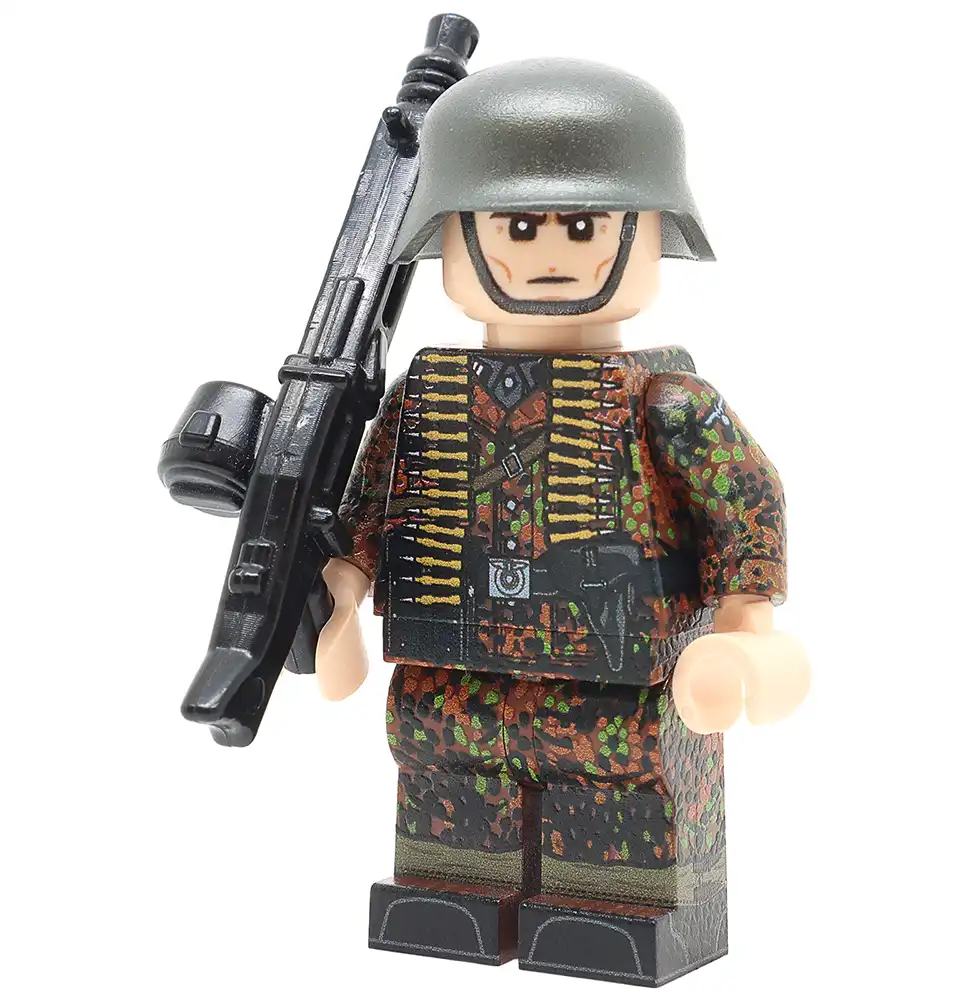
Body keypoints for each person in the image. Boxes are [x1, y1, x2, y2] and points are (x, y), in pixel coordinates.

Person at [315, 57, 809, 986]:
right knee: (446, 778)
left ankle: (613, 911)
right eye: (515, 225)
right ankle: (453, 894)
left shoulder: (668, 404)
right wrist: (339, 597)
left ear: (648, 233)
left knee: (617, 799)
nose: (549, 249)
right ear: (451, 237)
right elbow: (367, 518)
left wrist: (747, 631)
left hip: (619, 682)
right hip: (449, 676)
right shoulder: (420, 401)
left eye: (583, 226)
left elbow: (746, 505)